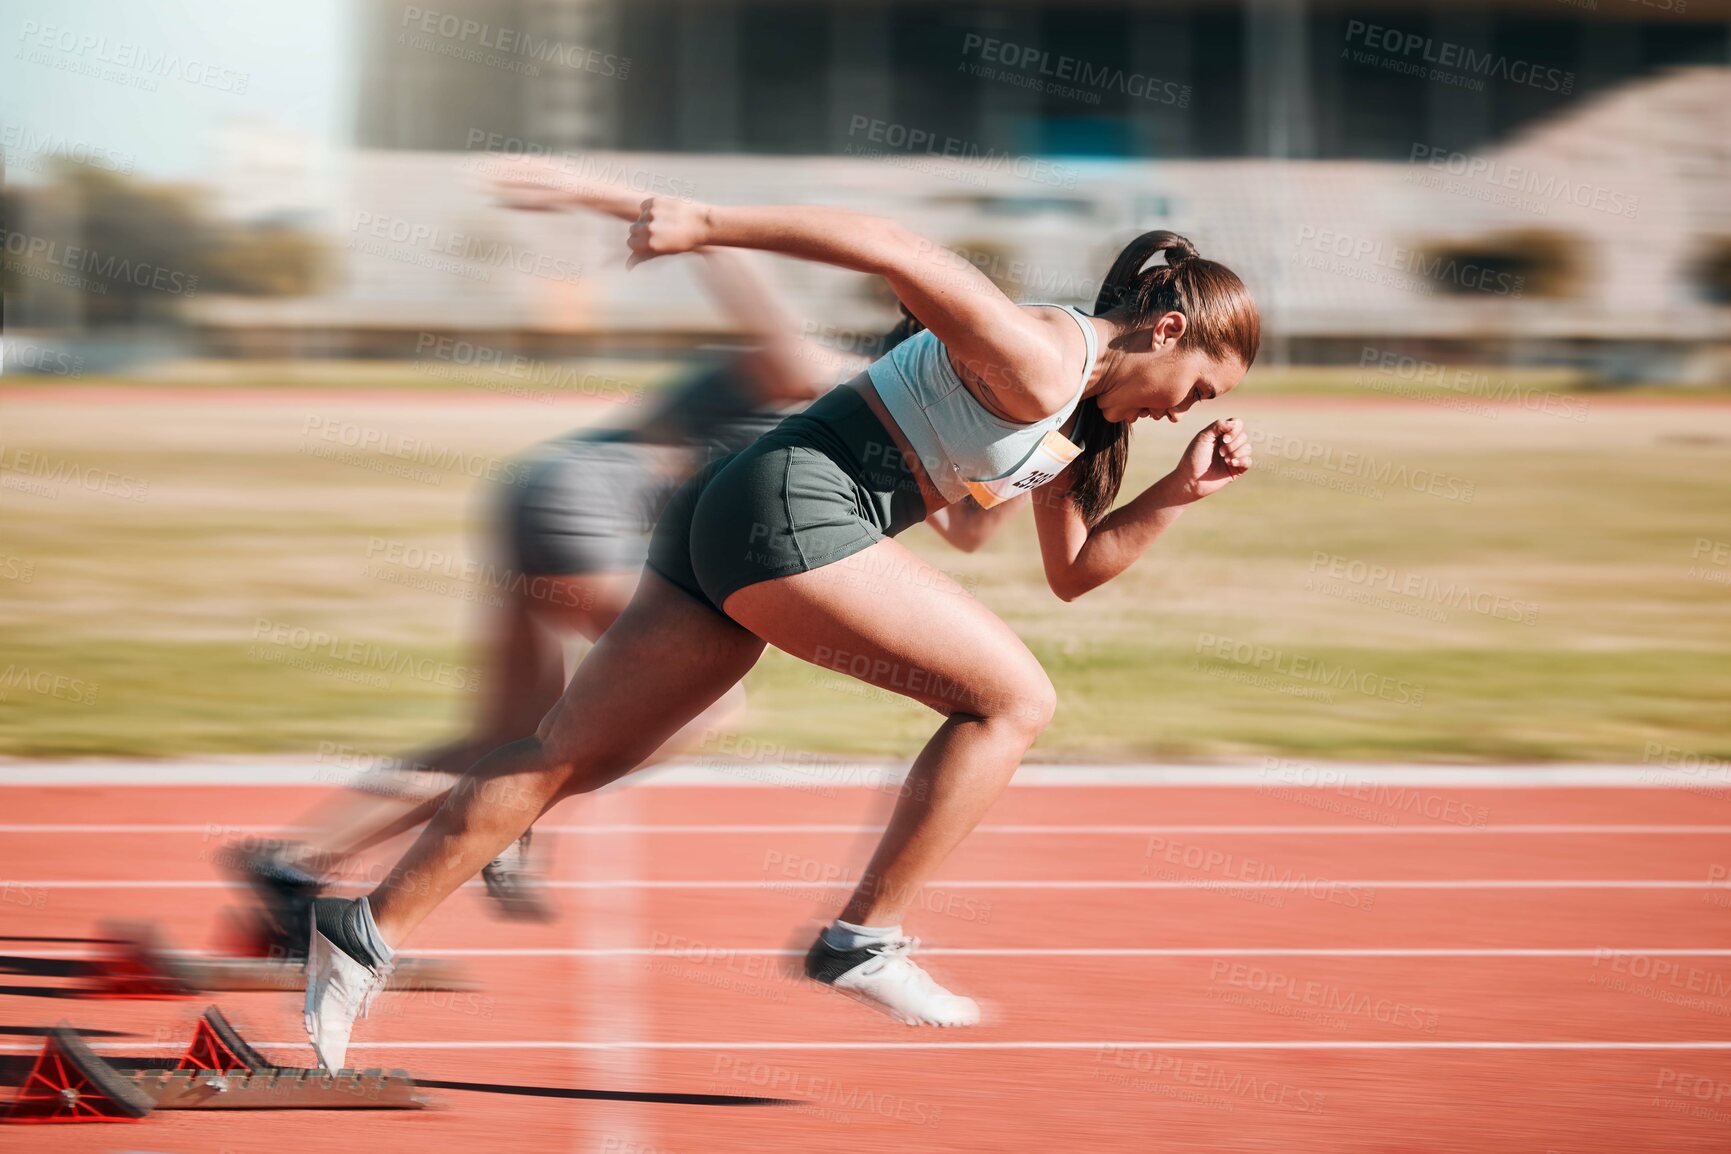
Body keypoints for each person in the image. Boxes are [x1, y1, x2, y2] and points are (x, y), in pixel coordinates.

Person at [302, 196, 1258, 1071]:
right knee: (1013, 699)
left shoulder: (1080, 422)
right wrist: (704, 224)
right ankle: (862, 940)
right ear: (1167, 329)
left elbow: (1068, 571)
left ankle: (361, 934)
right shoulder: (1044, 352)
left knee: (566, 756)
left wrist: (1176, 491)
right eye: (1199, 386)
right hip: (790, 503)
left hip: (733, 511)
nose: (1188, 411)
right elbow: (890, 245)